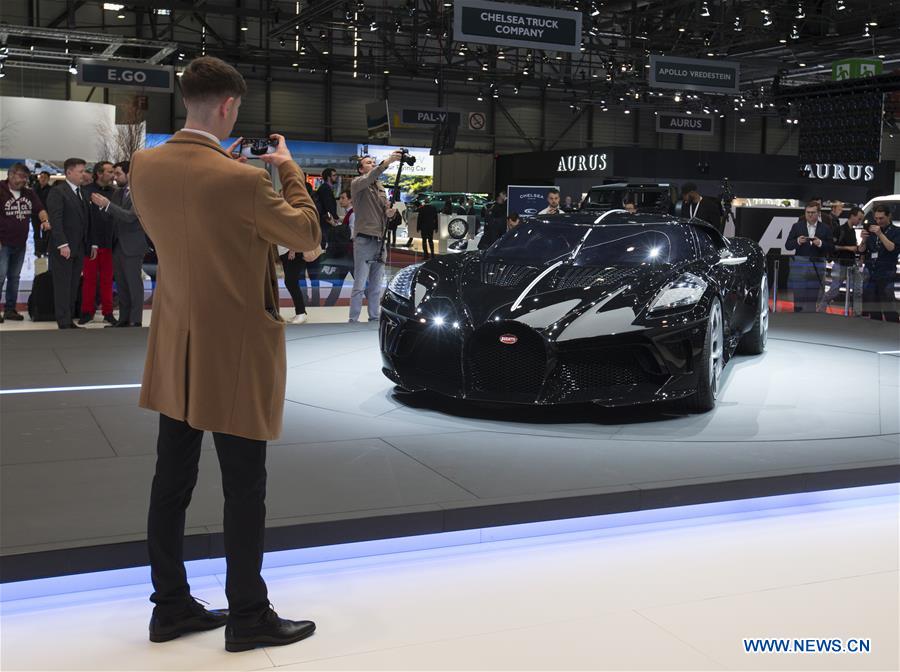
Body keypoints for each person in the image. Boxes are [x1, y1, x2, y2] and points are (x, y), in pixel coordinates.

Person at [128, 55, 322, 652]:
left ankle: (171, 607)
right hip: (234, 349)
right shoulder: (243, 180)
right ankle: (248, 616)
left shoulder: (144, 164)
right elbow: (309, 239)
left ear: (188, 100)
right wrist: (288, 170)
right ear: (230, 106)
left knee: (171, 479)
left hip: (174, 344)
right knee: (243, 486)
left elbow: (190, 228)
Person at [89, 160, 148, 327]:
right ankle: (123, 318)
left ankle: (135, 320)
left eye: (118, 174)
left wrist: (107, 206)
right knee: (121, 283)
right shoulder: (118, 193)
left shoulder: (140, 193)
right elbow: (112, 216)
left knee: (133, 283)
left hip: (133, 245)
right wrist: (101, 207)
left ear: (130, 174)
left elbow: (130, 217)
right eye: (114, 174)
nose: (114, 177)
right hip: (117, 244)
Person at [348, 153, 401, 322]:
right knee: (359, 284)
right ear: (361, 169)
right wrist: (388, 162)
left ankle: (374, 317)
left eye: (373, 162)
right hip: (364, 240)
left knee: (376, 285)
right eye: (368, 163)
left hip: (380, 240)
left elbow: (384, 210)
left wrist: (389, 213)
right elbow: (372, 175)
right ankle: (353, 320)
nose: (372, 164)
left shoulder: (380, 187)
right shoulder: (357, 184)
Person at [45, 158, 96, 329]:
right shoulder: (58, 192)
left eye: (84, 171)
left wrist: (91, 244)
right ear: (69, 172)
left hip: (79, 247)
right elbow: (56, 220)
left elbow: (86, 222)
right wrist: (62, 244)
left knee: (73, 284)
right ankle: (63, 320)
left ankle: (68, 319)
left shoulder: (82, 193)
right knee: (63, 285)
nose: (84, 175)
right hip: (64, 248)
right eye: (80, 171)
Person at [0, 163, 50, 323]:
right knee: (0, 276)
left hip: (20, 243)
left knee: (15, 277)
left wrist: (45, 220)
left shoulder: (29, 193)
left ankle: (10, 309)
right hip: (2, 243)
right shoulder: (1, 190)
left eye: (26, 177)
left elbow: (40, 209)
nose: (24, 180)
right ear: (11, 174)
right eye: (21, 176)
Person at [79, 161, 117, 325]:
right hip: (90, 244)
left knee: (108, 280)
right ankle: (87, 311)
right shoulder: (85, 192)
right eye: (109, 172)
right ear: (99, 173)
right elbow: (84, 220)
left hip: (110, 242)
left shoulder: (115, 193)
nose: (113, 175)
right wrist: (90, 242)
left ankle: (108, 312)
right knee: (89, 280)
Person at [784, 202, 833, 313]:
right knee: (798, 296)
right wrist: (797, 241)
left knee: (813, 297)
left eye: (813, 212)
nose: (810, 215)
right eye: (808, 212)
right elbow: (788, 245)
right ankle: (797, 321)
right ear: (805, 213)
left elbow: (831, 247)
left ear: (818, 213)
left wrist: (820, 243)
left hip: (817, 265)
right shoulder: (797, 226)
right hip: (800, 265)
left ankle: (810, 322)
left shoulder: (825, 228)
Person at [858, 204, 899, 322]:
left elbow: (892, 248)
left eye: (881, 218)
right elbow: (861, 250)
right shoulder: (871, 231)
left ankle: (892, 328)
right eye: (876, 218)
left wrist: (880, 234)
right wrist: (864, 240)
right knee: (873, 306)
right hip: (871, 272)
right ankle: (875, 330)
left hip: (887, 272)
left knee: (888, 304)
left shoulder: (896, 231)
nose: (878, 221)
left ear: (889, 216)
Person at [818, 205, 862, 313]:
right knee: (834, 291)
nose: (860, 221)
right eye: (859, 218)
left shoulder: (852, 231)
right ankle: (821, 307)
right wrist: (849, 248)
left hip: (852, 264)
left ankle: (857, 313)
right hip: (840, 264)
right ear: (852, 216)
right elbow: (833, 246)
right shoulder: (840, 229)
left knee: (858, 290)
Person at [320, 189, 354, 306]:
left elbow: (350, 234)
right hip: (348, 254)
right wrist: (335, 224)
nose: (340, 200)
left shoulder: (353, 214)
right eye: (340, 198)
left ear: (350, 199)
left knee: (342, 281)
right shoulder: (349, 214)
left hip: (350, 254)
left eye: (343, 198)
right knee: (340, 281)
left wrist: (335, 226)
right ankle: (328, 304)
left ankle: (328, 304)